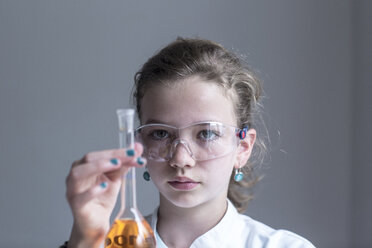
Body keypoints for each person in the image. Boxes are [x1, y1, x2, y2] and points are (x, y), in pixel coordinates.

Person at [63, 38, 315, 248]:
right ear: (139, 145)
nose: (180, 159)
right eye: (160, 133)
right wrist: (84, 240)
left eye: (206, 133)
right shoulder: (104, 244)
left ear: (243, 147)